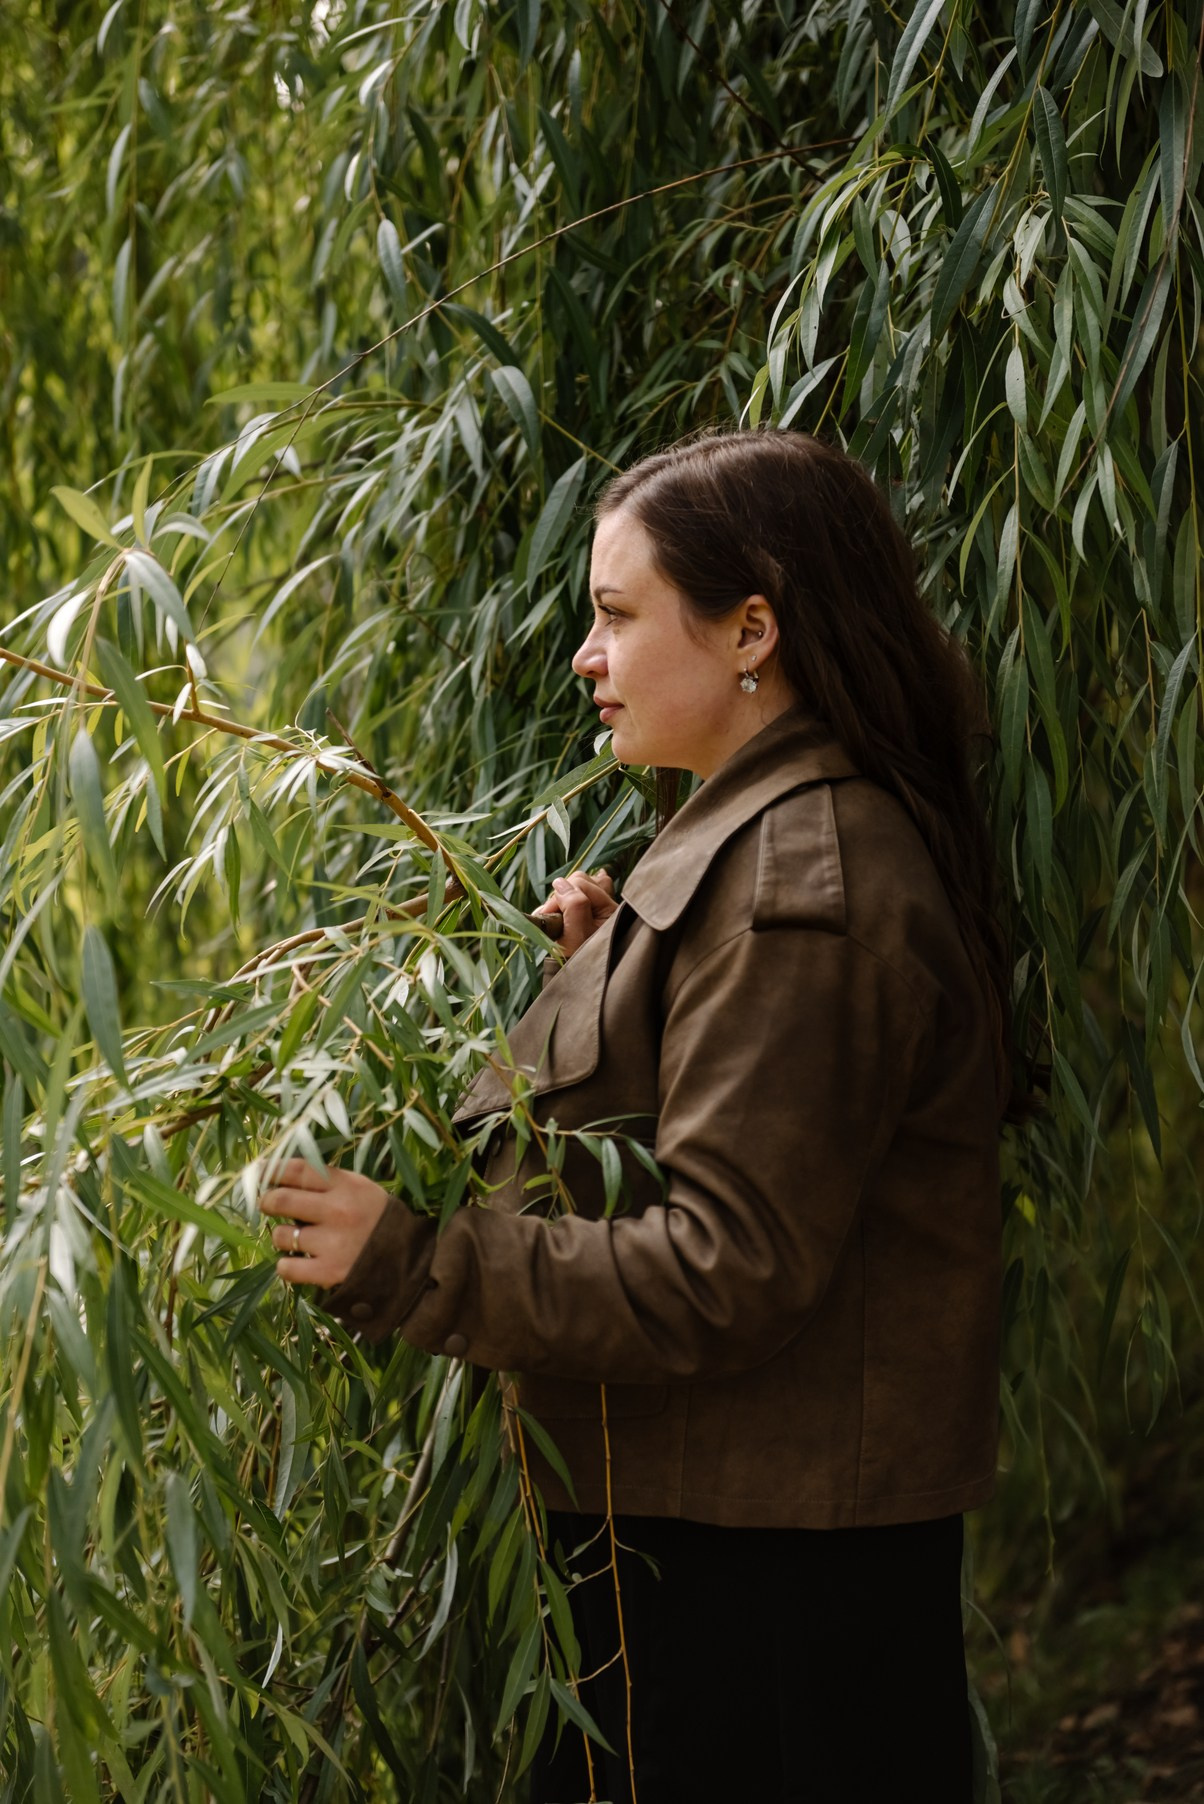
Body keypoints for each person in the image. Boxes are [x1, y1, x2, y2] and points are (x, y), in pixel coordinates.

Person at [258, 428, 1012, 1803]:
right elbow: (724, 1120)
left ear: (752, 633)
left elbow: (729, 1264)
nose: (583, 657)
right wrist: (613, 986)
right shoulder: (756, 841)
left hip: (758, 1593)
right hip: (719, 1541)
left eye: (615, 614)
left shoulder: (798, 888)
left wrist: (417, 1262)